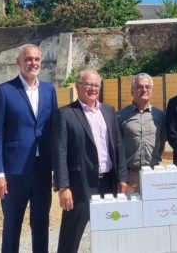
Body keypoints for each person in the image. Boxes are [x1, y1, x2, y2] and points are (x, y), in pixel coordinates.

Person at [0, 44, 58, 253]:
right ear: (18, 61)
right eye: (28, 59)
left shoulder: (49, 90)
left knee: (41, 224)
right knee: (12, 225)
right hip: (14, 172)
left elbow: (55, 130)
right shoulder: (4, 91)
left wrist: (59, 170)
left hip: (42, 169)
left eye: (37, 59)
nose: (33, 63)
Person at [52, 69, 127, 253]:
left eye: (96, 85)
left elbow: (118, 146)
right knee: (70, 239)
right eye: (88, 85)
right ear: (78, 86)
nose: (93, 89)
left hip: (109, 183)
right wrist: (63, 187)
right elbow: (59, 153)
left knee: (109, 237)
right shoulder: (66, 114)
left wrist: (122, 177)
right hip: (80, 186)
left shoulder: (108, 111)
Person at [118, 73, 166, 192]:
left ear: (151, 90)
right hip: (130, 177)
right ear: (132, 90)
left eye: (147, 87)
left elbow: (162, 144)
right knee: (130, 210)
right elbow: (116, 147)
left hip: (153, 174)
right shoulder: (120, 116)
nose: (144, 90)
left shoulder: (160, 116)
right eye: (139, 87)